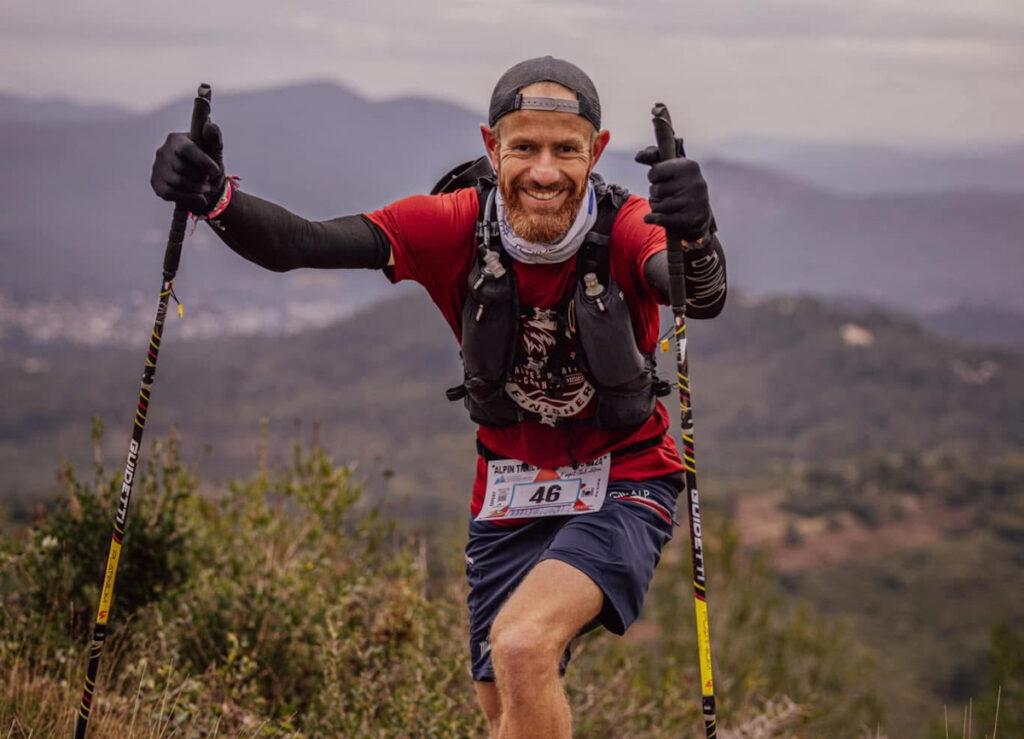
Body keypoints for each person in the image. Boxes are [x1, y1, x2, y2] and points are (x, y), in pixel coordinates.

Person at [151, 56, 726, 739]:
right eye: (525, 147)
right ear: (492, 146)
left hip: (624, 475)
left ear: (595, 151)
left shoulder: (627, 226)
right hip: (508, 490)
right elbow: (300, 243)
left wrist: (697, 232)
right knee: (505, 706)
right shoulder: (452, 225)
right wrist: (213, 196)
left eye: (566, 149)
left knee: (520, 647)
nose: (545, 171)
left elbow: (697, 290)